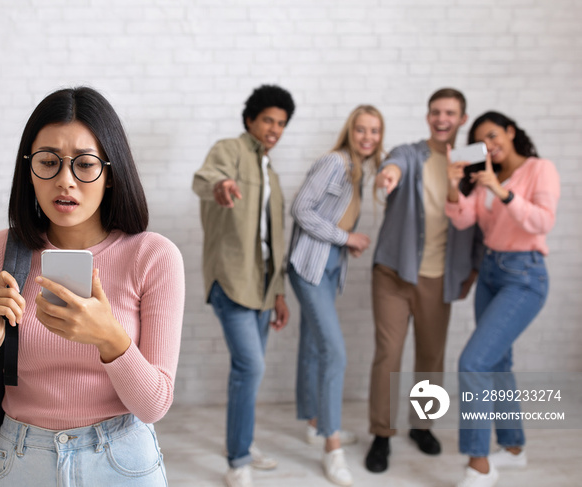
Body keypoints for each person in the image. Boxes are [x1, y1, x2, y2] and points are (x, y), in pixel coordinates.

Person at [0, 87, 185, 486]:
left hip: (122, 460)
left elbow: (153, 405)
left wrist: (110, 339)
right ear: (28, 169)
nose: (65, 181)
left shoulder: (153, 256)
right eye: (48, 162)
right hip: (21, 458)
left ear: (111, 173)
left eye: (84, 165)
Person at [365, 88, 483, 473]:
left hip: (439, 278)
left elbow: (482, 219)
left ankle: (422, 426)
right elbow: (394, 164)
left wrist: (475, 269)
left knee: (430, 358)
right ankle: (381, 434)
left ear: (462, 119)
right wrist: (388, 175)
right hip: (394, 272)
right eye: (435, 111)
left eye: (450, 112)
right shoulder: (411, 153)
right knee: (389, 354)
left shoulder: (472, 164)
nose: (441, 118)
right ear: (428, 116)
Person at [446, 112, 560, 487]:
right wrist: (454, 187)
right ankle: (513, 449)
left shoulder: (538, 170)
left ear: (511, 132)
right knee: (496, 363)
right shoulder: (484, 178)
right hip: (492, 272)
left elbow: (542, 222)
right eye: (482, 142)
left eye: (493, 135)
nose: (490, 146)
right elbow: (463, 219)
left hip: (524, 276)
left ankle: (479, 464)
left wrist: (500, 189)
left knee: (473, 362)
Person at [191, 84, 294, 487]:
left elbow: (275, 238)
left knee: (248, 371)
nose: (274, 128)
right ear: (250, 119)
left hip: (265, 287)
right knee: (250, 366)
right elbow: (206, 178)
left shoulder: (272, 173)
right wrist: (220, 186)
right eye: (268, 119)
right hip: (231, 279)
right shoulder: (229, 150)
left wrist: (280, 291)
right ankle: (238, 460)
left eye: (282, 123)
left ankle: (244, 446)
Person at [288, 105, 384, 485]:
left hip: (329, 267)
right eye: (361, 129)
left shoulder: (359, 172)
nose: (367, 137)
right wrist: (347, 238)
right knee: (335, 352)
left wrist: (346, 244)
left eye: (374, 131)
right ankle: (332, 445)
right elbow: (300, 209)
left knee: (314, 346)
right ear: (350, 131)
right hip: (308, 267)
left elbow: (332, 218)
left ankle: (315, 422)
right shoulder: (335, 162)